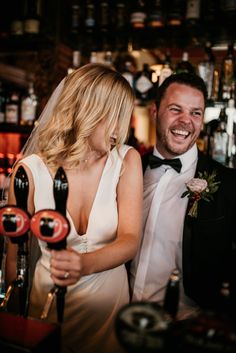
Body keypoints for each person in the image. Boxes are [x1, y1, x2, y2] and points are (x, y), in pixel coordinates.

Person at [6, 63, 143, 353]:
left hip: (109, 312)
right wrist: (12, 323)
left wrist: (84, 264)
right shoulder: (29, 171)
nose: (120, 130)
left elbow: (130, 240)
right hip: (49, 307)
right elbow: (13, 256)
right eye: (115, 117)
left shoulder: (126, 161)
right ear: (87, 111)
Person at [130, 72, 236, 320]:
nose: (186, 121)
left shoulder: (229, 185)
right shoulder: (127, 171)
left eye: (195, 113)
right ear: (154, 112)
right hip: (118, 318)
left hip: (185, 326)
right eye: (176, 109)